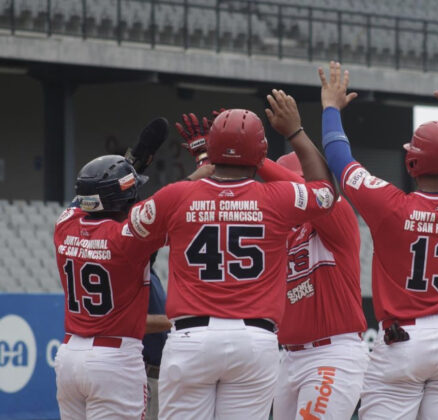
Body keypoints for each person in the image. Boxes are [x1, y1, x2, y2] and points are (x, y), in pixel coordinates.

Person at [127, 90, 336, 420]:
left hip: (191, 337)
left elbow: (132, 228)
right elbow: (326, 192)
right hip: (253, 340)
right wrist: (295, 132)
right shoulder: (278, 198)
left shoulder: (177, 196)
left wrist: (196, 175)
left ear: (210, 150)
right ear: (261, 153)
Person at [317, 61, 438, 419]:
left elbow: (339, 159)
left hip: (404, 339)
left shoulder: (391, 206)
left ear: (413, 161)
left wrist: (330, 108)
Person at [53, 154, 211, 419]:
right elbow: (166, 203)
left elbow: (84, 198)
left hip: (69, 355)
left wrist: (123, 172)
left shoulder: (64, 224)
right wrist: (200, 171)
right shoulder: (126, 239)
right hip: (115, 360)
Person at [255, 96, 367, 419]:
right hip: (288, 357)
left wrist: (257, 161)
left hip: (333, 353)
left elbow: (317, 193)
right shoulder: (277, 231)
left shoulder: (336, 215)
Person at [143, 264, 171, 420]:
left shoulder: (150, 274)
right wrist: (182, 320)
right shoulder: (133, 275)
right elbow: (128, 322)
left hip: (160, 377)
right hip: (143, 374)